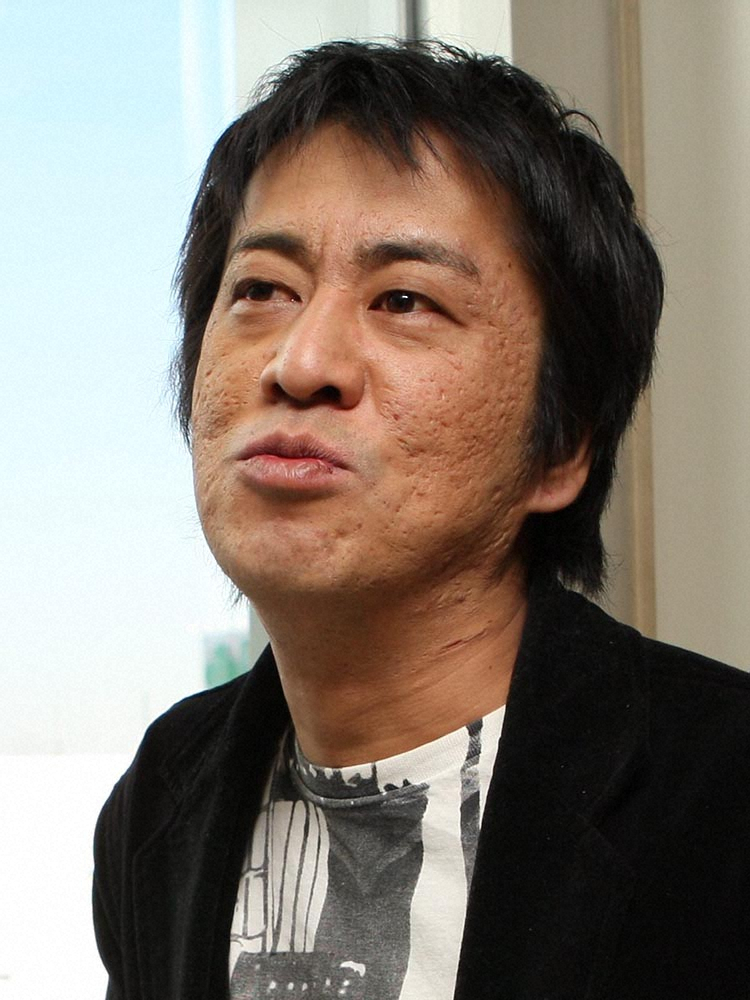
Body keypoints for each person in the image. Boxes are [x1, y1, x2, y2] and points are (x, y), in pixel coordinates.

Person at [93, 40, 750, 1000]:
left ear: (560, 445)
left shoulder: (721, 801)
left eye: (404, 300)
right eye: (263, 291)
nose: (301, 363)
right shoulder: (162, 799)